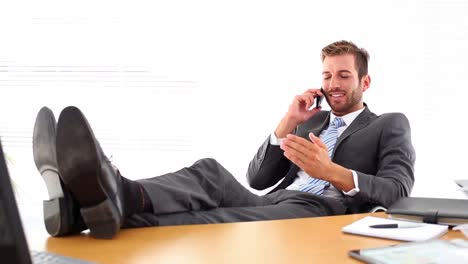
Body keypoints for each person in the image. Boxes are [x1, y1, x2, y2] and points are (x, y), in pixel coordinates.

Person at [32, 40, 415, 239]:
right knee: (211, 172)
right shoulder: (307, 123)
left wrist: (332, 172)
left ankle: (78, 213)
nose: (332, 84)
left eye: (343, 75)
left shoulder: (389, 124)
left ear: (364, 81)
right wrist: (287, 122)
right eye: (327, 75)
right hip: (274, 201)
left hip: (318, 212)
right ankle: (113, 196)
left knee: (214, 219)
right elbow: (257, 180)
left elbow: (397, 189)